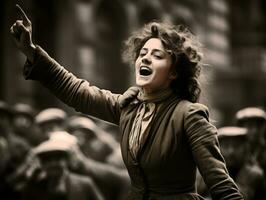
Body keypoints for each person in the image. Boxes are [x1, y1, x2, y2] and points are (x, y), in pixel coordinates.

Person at [10, 4, 244, 199]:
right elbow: (77, 92)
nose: (145, 58)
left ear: (174, 72)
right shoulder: (128, 108)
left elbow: (221, 185)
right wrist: (32, 53)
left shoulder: (189, 115)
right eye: (143, 53)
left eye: (157, 55)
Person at [22, 133, 104, 200]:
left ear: (66, 161)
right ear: (42, 164)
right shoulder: (35, 188)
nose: (53, 164)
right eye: (48, 160)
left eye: (57, 159)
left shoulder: (84, 185)